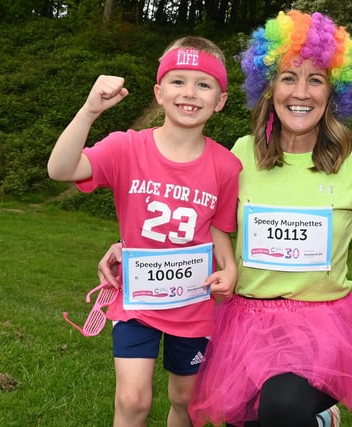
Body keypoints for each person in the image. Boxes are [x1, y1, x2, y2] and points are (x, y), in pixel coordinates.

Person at [97, 9, 352, 427]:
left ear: (334, 93)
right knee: (247, 416)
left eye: (316, 80)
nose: (302, 92)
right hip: (244, 320)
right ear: (269, 87)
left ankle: (313, 414)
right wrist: (129, 249)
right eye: (288, 78)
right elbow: (201, 220)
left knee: (281, 406)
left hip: (322, 326)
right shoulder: (240, 154)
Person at [47, 36, 242, 427]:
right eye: (178, 81)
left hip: (194, 302)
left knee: (185, 400)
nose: (190, 93)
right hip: (138, 301)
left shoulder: (226, 166)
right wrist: (89, 111)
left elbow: (220, 230)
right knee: (132, 401)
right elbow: (61, 170)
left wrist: (231, 269)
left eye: (204, 84)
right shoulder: (126, 147)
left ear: (220, 100)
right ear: (159, 91)